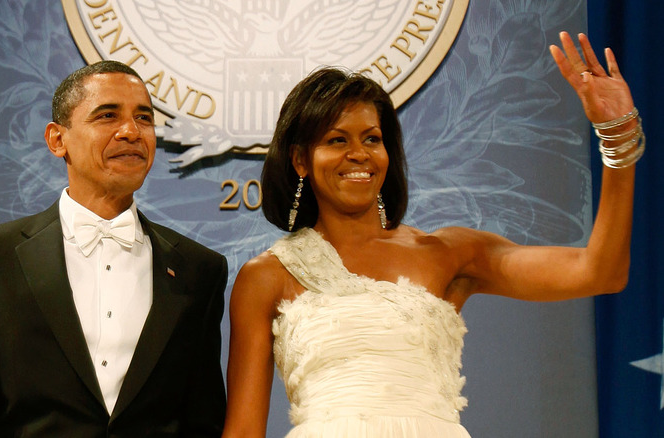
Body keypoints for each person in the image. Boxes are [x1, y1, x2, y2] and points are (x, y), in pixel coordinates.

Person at [222, 31, 640, 437]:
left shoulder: (447, 253)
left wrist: (617, 135)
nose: (359, 154)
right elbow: (242, 430)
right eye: (336, 140)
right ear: (300, 159)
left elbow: (599, 271)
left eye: (372, 138)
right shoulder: (267, 277)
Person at [0, 61, 228, 437]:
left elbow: (203, 421)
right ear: (57, 140)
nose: (131, 132)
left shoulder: (199, 269)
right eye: (107, 116)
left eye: (144, 118)